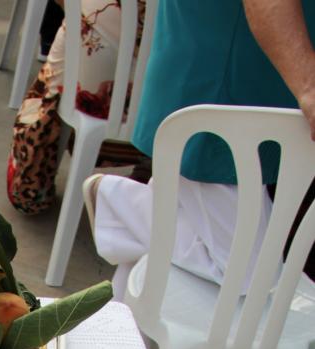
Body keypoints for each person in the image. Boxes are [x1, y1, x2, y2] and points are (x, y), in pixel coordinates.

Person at [85, 0, 315, 296]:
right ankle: (118, 203)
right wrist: (309, 87)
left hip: (251, 83)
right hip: (223, 81)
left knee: (163, 257)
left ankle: (122, 320)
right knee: (250, 273)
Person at [8, 0, 147, 216]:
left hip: (95, 96)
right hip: (174, 115)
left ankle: (33, 178)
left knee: (65, 69)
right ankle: (150, 171)